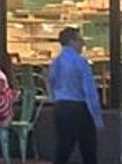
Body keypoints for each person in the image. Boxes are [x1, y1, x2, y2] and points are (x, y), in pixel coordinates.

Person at [47, 27, 104, 164]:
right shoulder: (80, 62)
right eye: (80, 40)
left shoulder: (55, 62)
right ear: (71, 41)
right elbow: (89, 91)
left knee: (63, 148)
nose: (82, 43)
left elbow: (50, 82)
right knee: (88, 149)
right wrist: (97, 117)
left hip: (61, 106)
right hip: (79, 107)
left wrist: (55, 99)